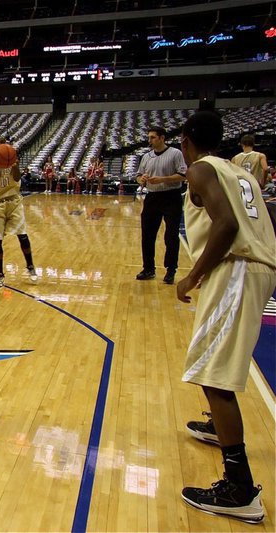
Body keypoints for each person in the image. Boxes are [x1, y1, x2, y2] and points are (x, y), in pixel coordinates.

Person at [176, 111, 276, 524]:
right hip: (256, 268)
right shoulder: (239, 170)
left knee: (213, 374)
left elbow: (227, 224)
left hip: (235, 269)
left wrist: (192, 276)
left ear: (186, 141)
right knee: (213, 365)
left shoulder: (200, 169)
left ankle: (239, 488)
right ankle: (221, 428)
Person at [0, 136, 38, 287]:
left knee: (23, 236)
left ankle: (30, 266)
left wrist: (15, 166)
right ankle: (0, 275)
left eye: (2, 142)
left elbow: (18, 177)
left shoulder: (12, 159)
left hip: (14, 202)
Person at [135, 126, 187, 284]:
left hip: (171, 196)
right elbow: (138, 176)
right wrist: (141, 180)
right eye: (149, 137)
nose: (149, 140)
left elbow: (183, 175)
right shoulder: (146, 156)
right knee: (147, 235)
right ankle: (148, 268)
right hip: (152, 197)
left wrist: (163, 179)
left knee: (171, 236)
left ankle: (171, 270)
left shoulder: (175, 154)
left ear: (162, 138)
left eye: (152, 137)